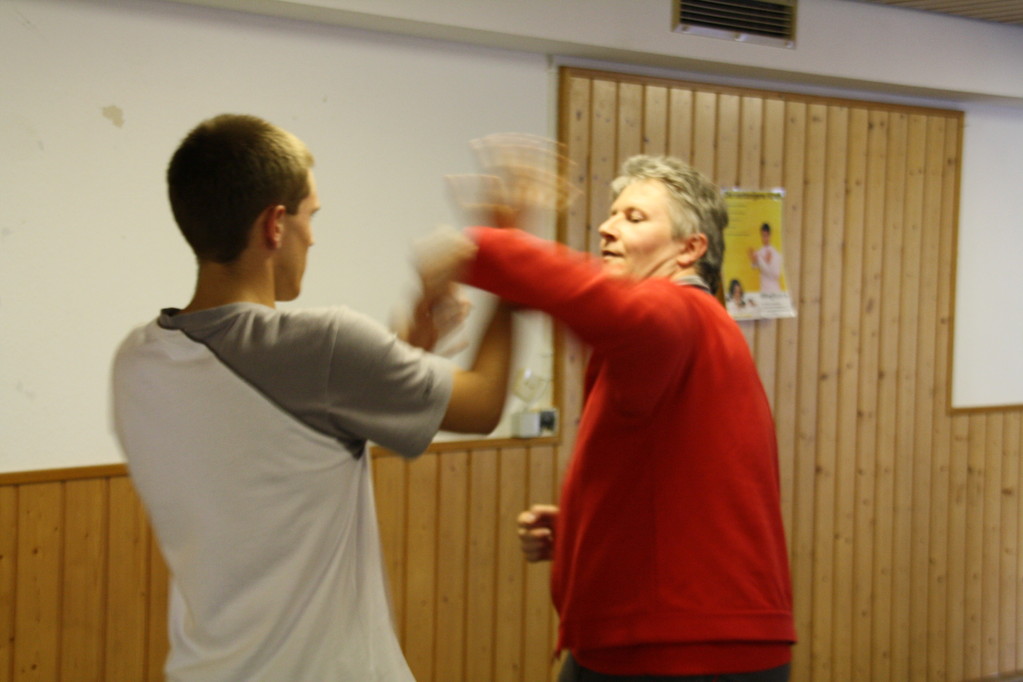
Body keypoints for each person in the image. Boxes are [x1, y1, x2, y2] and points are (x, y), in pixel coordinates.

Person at [110, 114, 524, 681]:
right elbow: (483, 406)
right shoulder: (322, 347)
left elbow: (286, 450)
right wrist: (510, 261)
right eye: (311, 216)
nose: (314, 235)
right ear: (275, 225)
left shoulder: (137, 360)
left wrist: (400, 353)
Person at [429, 153, 795, 680]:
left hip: (688, 651)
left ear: (690, 250)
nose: (606, 227)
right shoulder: (683, 336)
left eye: (634, 217)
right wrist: (582, 530)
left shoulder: (680, 311)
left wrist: (489, 247)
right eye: (612, 214)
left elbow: (600, 305)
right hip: (655, 640)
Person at [749, 222, 783, 294]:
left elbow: (776, 274)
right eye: (763, 236)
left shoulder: (776, 254)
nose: (764, 238)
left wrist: (765, 261)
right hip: (763, 290)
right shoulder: (759, 252)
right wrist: (753, 259)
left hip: (775, 290)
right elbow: (753, 266)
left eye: (766, 236)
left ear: (770, 235)